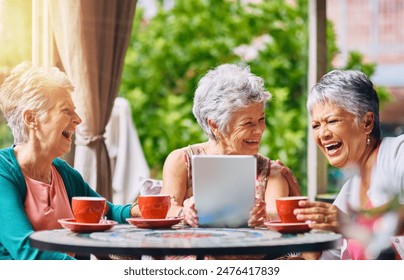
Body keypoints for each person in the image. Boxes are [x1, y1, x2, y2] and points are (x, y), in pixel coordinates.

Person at [130, 63, 300, 227]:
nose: (259, 130)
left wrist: (262, 216)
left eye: (261, 120)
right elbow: (166, 208)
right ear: (215, 125)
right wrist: (184, 213)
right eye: (248, 123)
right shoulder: (181, 160)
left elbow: (275, 214)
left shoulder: (272, 172)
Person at [0, 62, 134, 260]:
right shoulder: (4, 172)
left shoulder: (62, 172)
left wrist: (147, 210)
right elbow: (26, 250)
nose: (78, 119)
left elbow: (107, 212)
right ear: (31, 119)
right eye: (66, 110)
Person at [293, 69, 404, 260]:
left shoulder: (398, 153)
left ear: (367, 122)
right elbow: (325, 261)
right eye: (315, 125)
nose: (323, 134)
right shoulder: (349, 192)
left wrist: (352, 223)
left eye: (332, 121)